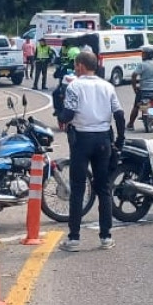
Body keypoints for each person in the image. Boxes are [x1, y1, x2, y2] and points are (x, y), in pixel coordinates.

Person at [58, 51, 125, 252]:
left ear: (80, 65)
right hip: (103, 140)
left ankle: (74, 238)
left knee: (78, 188)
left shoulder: (74, 86)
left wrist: (60, 116)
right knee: (103, 188)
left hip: (81, 140)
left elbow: (68, 114)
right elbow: (119, 115)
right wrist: (120, 139)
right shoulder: (107, 86)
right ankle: (106, 236)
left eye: (76, 65)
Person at [127, 46, 153, 130]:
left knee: (136, 106)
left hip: (144, 90)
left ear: (147, 55)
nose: (142, 55)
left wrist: (135, 87)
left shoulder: (142, 65)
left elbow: (134, 75)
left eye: (143, 53)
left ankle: (130, 124)